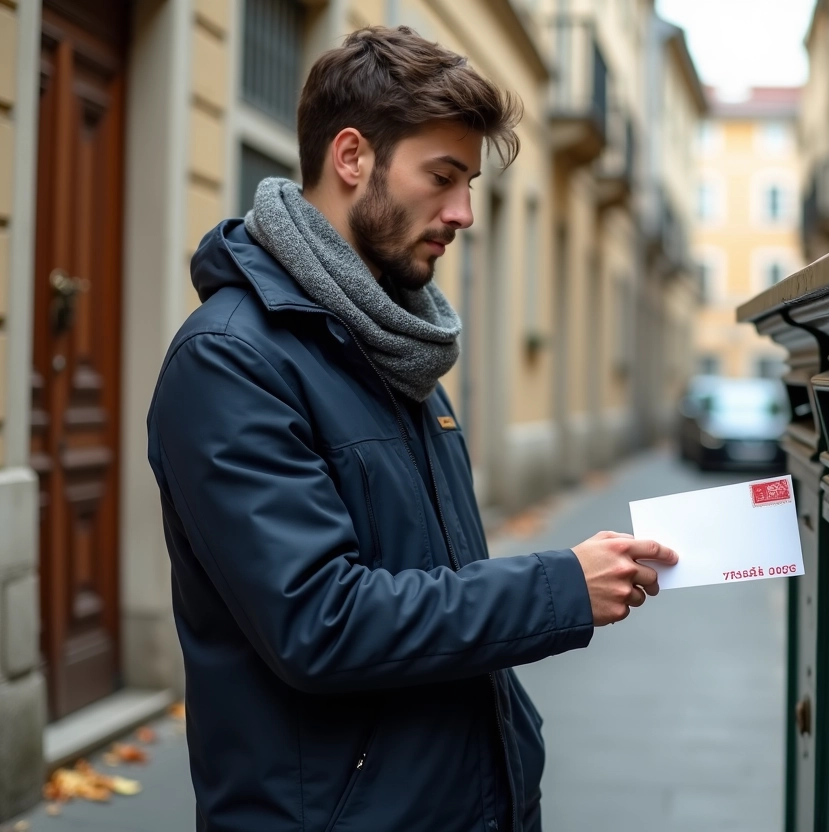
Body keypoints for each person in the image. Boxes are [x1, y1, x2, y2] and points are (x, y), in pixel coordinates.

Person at [146, 26, 677, 832]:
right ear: (352, 157)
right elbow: (319, 622)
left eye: (467, 183)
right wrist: (560, 586)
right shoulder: (230, 361)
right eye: (442, 177)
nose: (463, 213)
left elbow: (432, 584)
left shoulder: (394, 345)